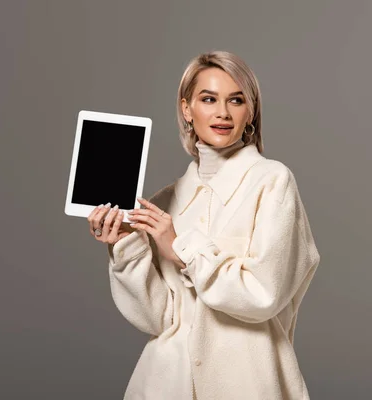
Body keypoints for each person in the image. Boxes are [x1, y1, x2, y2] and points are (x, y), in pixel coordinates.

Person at [86, 50, 320, 400]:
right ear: (187, 109)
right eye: (208, 99)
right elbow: (160, 319)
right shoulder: (164, 203)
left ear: (251, 110)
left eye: (236, 100)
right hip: (167, 384)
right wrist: (126, 247)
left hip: (248, 383)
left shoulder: (273, 181)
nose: (222, 113)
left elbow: (263, 295)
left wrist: (182, 249)